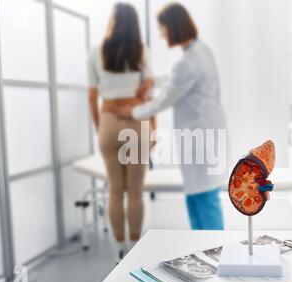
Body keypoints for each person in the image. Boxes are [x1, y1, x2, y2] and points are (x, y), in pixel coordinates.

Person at [116, 3, 227, 231]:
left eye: (162, 28)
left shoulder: (189, 61)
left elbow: (164, 100)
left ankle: (214, 249)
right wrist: (154, 81)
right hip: (203, 133)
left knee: (204, 198)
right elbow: (177, 81)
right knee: (197, 196)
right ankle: (203, 248)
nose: (161, 33)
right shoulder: (199, 51)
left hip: (200, 139)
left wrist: (133, 112)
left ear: (174, 27)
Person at [87, 2, 155, 260]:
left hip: (108, 120)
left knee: (115, 188)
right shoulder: (141, 51)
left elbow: (92, 96)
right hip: (137, 121)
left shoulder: (96, 52)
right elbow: (148, 94)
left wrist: (100, 126)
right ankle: (135, 248)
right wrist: (154, 127)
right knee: (135, 189)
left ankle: (119, 249)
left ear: (112, 21)